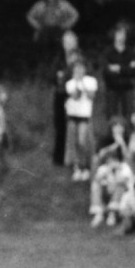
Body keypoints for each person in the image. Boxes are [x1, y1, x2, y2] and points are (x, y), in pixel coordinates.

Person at [89, 121, 133, 228]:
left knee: (119, 186)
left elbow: (128, 159)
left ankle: (112, 213)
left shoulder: (124, 166)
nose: (118, 129)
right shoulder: (104, 166)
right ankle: (98, 213)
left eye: (120, 126)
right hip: (107, 184)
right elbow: (100, 155)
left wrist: (121, 143)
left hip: (120, 184)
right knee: (96, 186)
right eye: (115, 126)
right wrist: (115, 145)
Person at [25, 0, 78, 68]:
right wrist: (37, 26)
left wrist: (67, 24)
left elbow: (75, 14)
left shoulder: (63, 4)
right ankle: (42, 66)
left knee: (69, 40)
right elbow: (29, 16)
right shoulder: (40, 5)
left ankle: (67, 66)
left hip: (60, 29)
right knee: (41, 47)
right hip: (45, 30)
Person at [63, 57, 98, 180]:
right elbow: (75, 96)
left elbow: (91, 96)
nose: (79, 70)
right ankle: (77, 167)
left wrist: (82, 82)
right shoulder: (69, 83)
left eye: (81, 68)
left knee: (83, 141)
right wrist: (77, 83)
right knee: (74, 142)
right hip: (73, 115)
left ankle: (86, 166)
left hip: (84, 115)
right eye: (76, 68)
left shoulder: (91, 81)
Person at [101, 25, 135, 128]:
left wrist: (118, 68)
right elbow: (106, 70)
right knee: (111, 114)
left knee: (129, 114)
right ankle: (111, 138)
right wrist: (127, 67)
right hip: (111, 87)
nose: (121, 37)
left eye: (123, 34)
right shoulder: (107, 52)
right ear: (114, 36)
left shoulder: (131, 52)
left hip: (128, 87)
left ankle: (128, 137)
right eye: (119, 34)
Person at [50, 30, 80, 166]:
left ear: (75, 42)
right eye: (65, 42)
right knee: (60, 124)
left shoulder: (79, 58)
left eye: (71, 41)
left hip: (75, 95)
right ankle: (60, 156)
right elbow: (52, 76)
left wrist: (64, 75)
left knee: (75, 125)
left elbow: (80, 75)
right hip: (61, 95)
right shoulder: (58, 58)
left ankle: (76, 157)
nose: (68, 44)